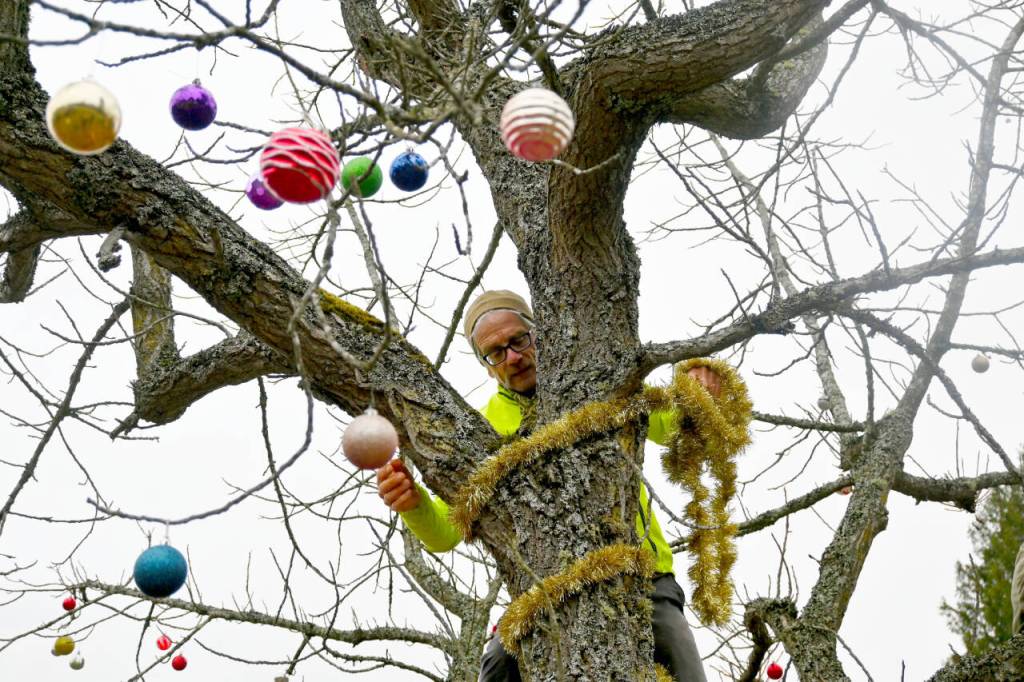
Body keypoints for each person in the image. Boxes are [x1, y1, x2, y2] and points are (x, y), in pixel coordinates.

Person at [376, 290, 713, 681]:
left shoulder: (597, 383)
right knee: (498, 667)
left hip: (643, 580)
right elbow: (445, 533)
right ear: (487, 367)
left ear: (542, 333)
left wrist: (697, 390)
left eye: (519, 340)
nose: (513, 357)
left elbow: (673, 427)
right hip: (543, 592)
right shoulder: (480, 430)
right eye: (496, 352)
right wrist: (412, 504)